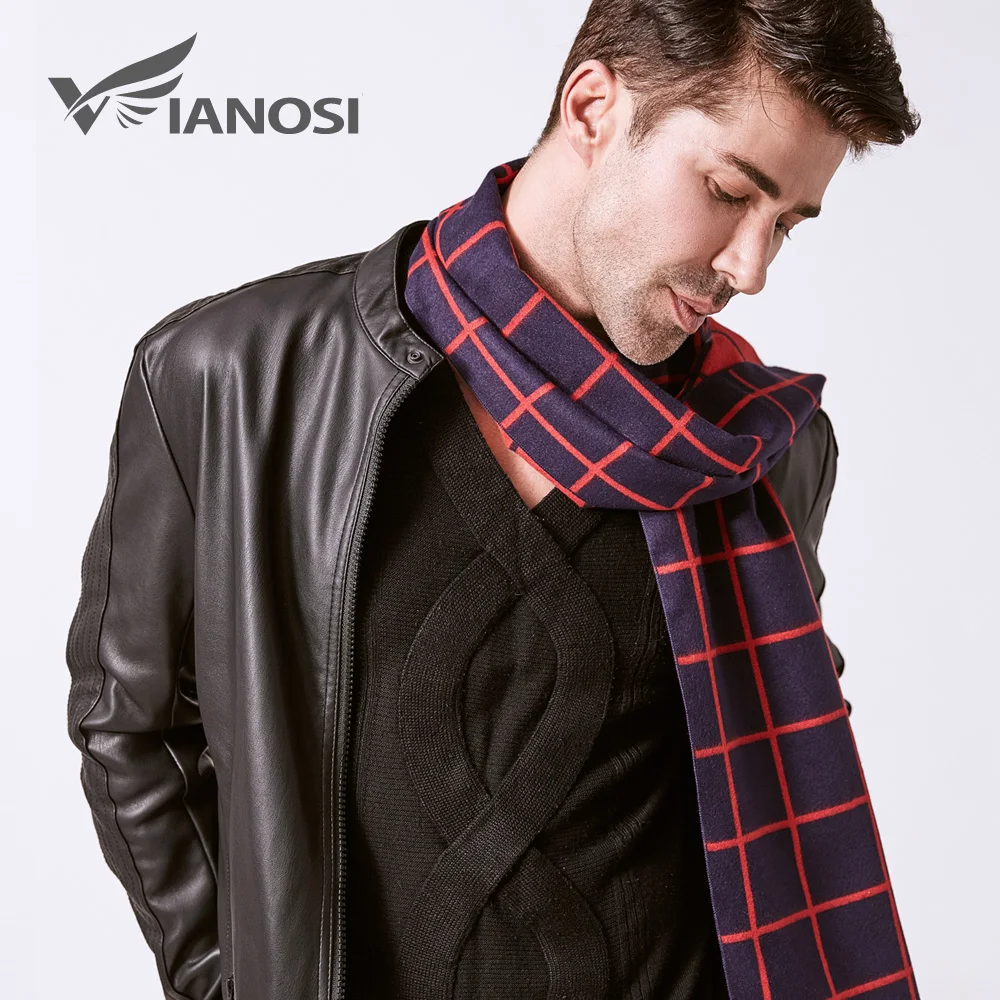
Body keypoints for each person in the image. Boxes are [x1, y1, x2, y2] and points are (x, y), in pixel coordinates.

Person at [64, 2, 920, 998]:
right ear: (593, 108)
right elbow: (131, 724)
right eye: (730, 192)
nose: (750, 268)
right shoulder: (236, 379)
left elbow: (775, 783)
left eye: (786, 225)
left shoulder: (761, 449)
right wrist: (232, 978)